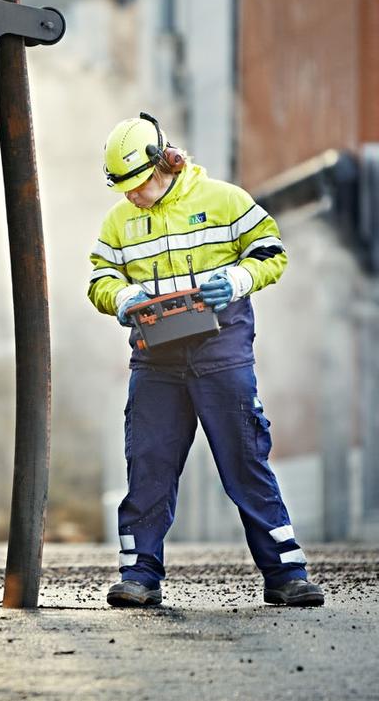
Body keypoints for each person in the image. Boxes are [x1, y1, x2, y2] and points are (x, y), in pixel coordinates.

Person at [88, 112, 324, 608]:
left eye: (137, 185)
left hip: (221, 352)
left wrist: (238, 281)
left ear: (164, 164)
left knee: (245, 462)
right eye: (124, 188)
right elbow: (99, 278)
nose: (130, 195)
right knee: (148, 464)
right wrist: (122, 297)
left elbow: (270, 251)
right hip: (157, 361)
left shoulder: (225, 200)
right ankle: (139, 576)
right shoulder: (118, 222)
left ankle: (286, 575)